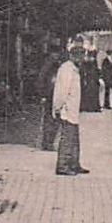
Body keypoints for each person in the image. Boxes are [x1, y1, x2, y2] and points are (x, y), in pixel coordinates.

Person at [53, 41, 89, 175]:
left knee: (74, 139)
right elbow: (62, 91)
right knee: (67, 139)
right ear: (74, 57)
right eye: (81, 57)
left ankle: (74, 164)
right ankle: (62, 167)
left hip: (73, 110)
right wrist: (58, 107)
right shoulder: (67, 69)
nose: (83, 60)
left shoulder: (74, 69)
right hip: (67, 110)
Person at [37, 48, 64, 151]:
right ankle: (47, 142)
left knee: (52, 119)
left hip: (53, 95)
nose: (56, 56)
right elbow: (41, 80)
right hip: (50, 95)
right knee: (51, 119)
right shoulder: (48, 66)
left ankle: (48, 142)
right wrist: (42, 95)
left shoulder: (55, 66)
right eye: (55, 54)